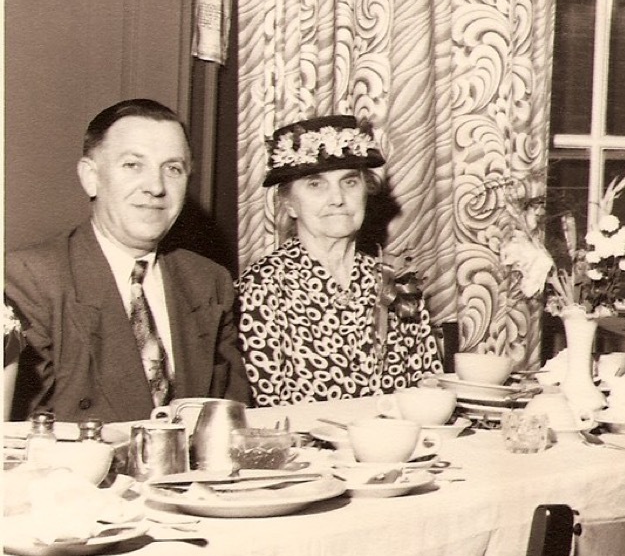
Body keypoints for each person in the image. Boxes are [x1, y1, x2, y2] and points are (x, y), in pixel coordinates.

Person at [4, 98, 249, 423]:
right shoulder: (30, 278)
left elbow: (232, 424)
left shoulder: (209, 280)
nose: (156, 187)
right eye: (133, 165)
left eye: (173, 169)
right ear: (90, 177)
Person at [236, 114, 441, 406]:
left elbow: (428, 391)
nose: (338, 199)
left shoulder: (397, 281)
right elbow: (265, 418)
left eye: (349, 182)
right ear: (289, 203)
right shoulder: (262, 288)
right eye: (315, 185)